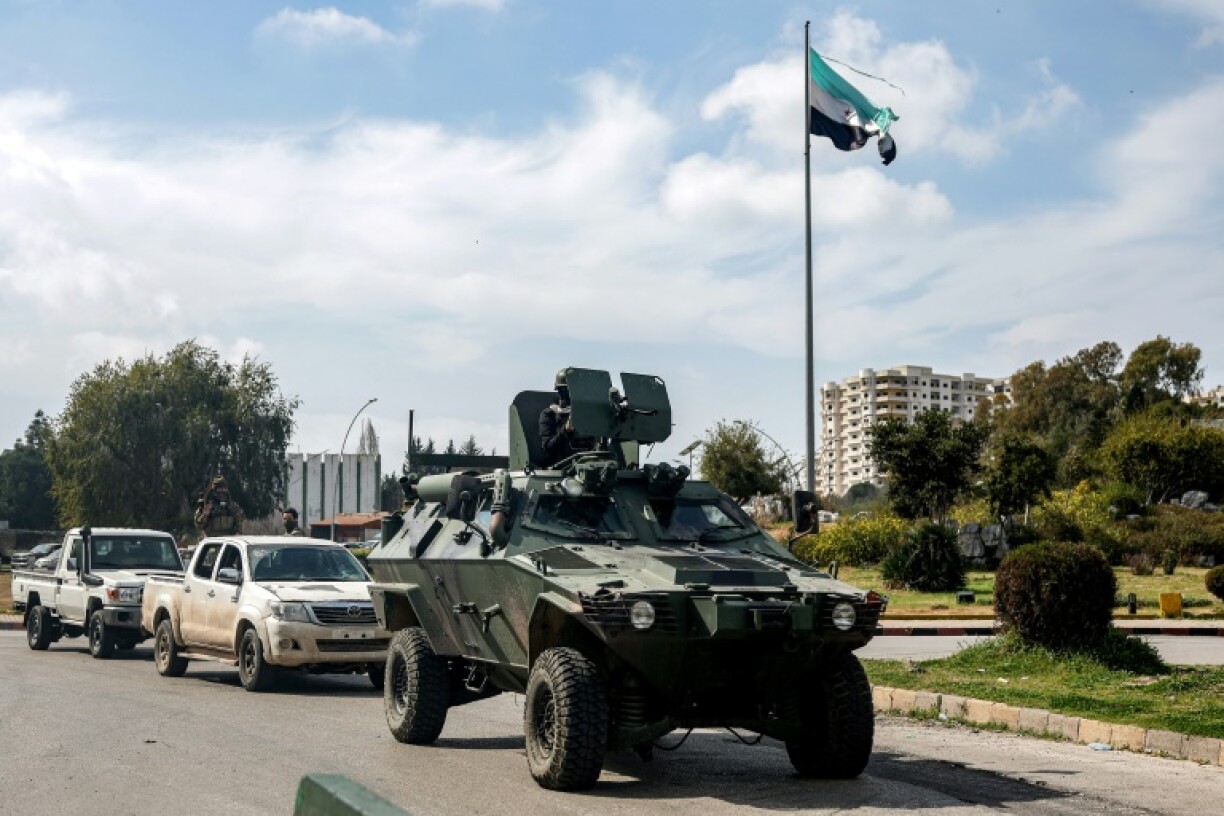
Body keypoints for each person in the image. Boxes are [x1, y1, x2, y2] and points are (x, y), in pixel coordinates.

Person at [539, 369, 596, 467]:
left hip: (588, 464)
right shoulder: (550, 414)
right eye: (565, 391)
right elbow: (548, 447)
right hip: (561, 467)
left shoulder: (588, 414)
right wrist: (565, 431)